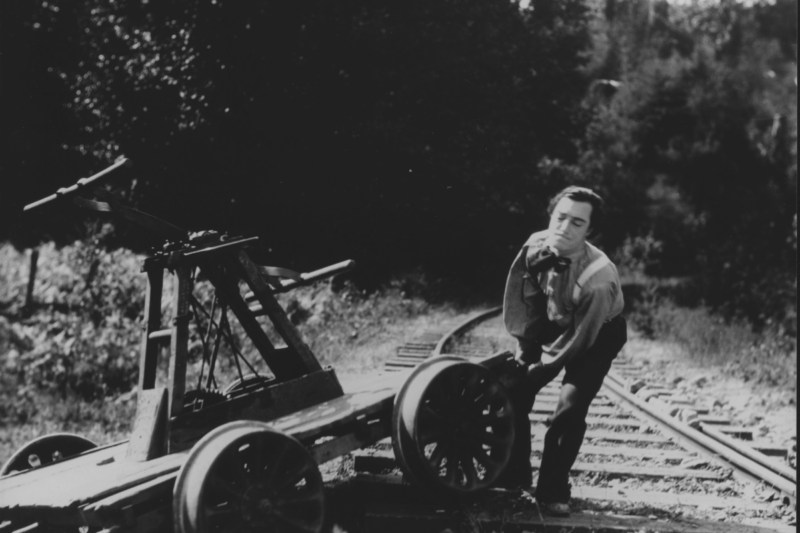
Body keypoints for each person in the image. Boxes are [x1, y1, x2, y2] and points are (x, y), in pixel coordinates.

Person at [495, 186, 627, 517]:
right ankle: (513, 475)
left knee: (569, 408)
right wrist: (526, 349)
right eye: (561, 217)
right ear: (551, 216)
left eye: (577, 223)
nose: (565, 227)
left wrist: (545, 366)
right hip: (557, 317)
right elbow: (522, 294)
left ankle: (553, 489)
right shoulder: (536, 244)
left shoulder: (599, 279)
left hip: (597, 333)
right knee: (512, 388)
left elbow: (581, 338)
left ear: (590, 231)